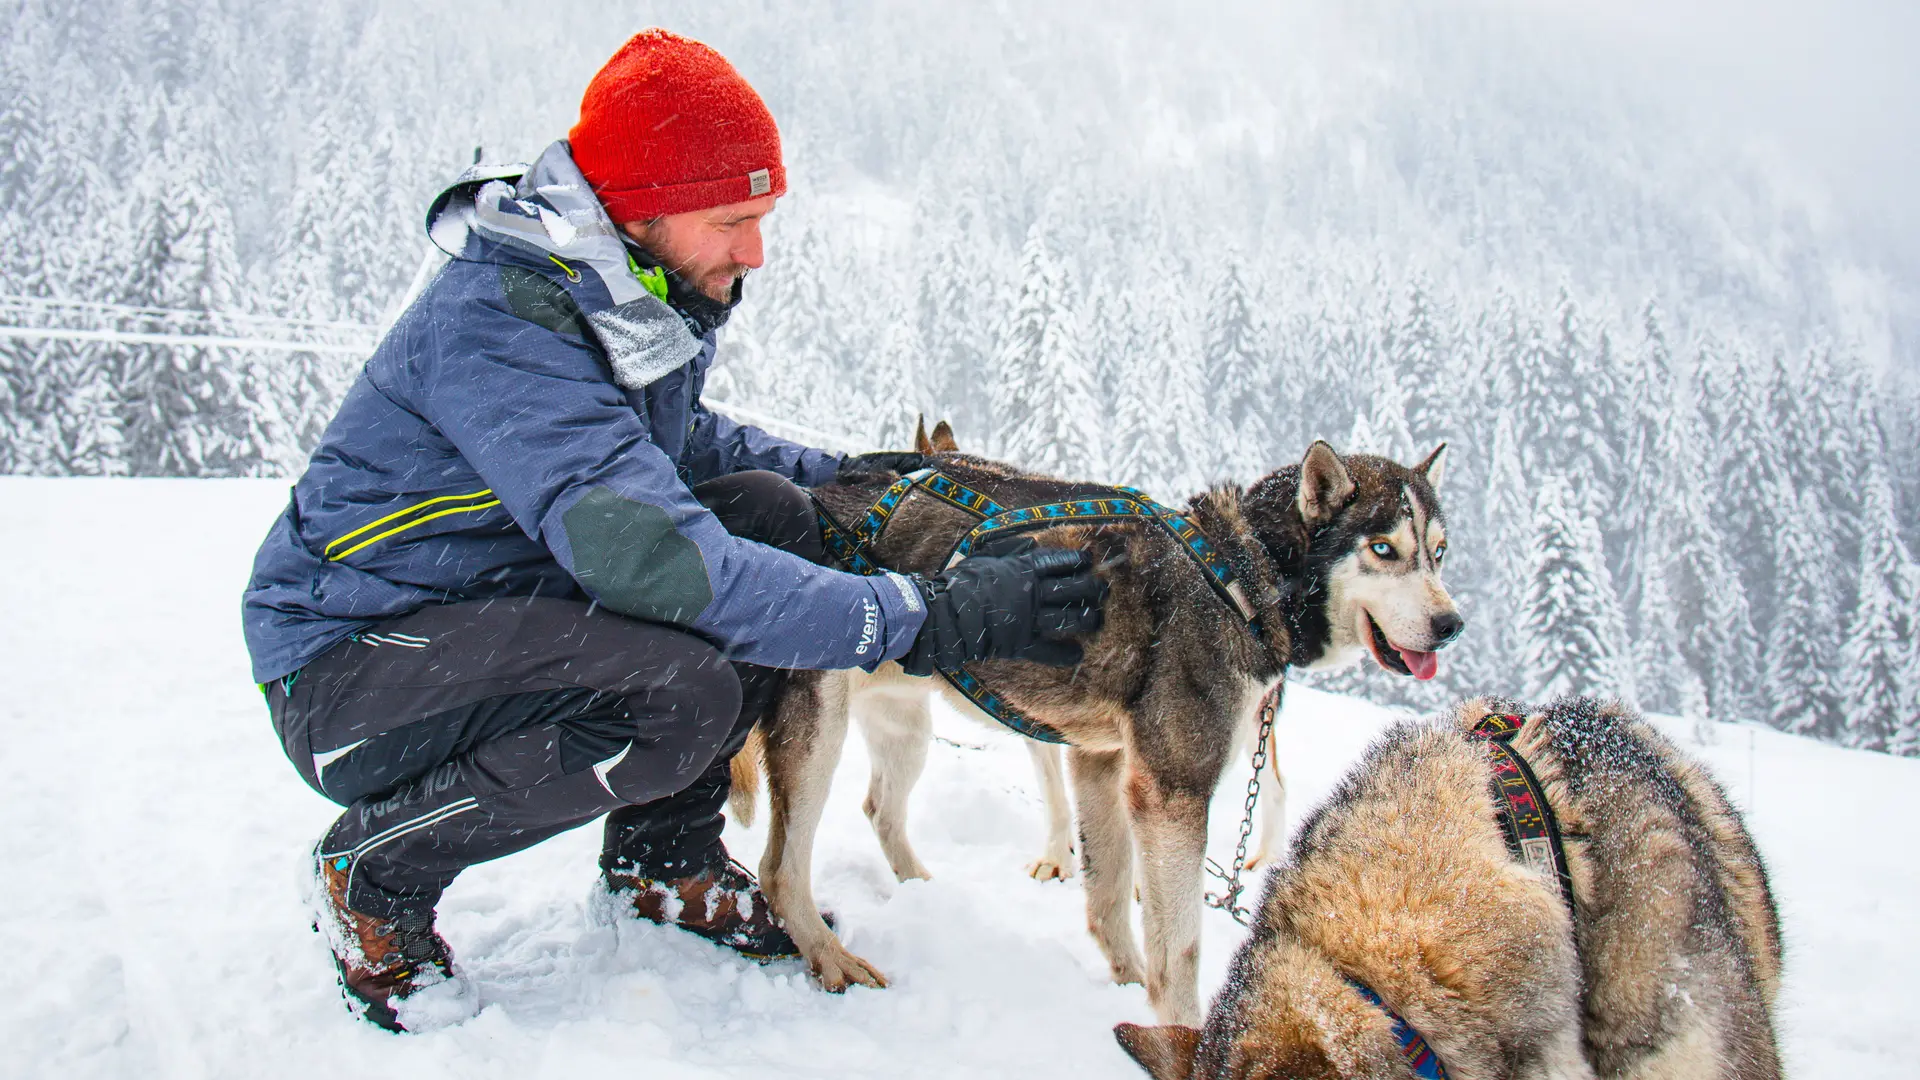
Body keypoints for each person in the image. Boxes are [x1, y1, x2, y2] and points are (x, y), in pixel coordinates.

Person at [242, 28, 1105, 1033]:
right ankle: (372, 876)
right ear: (640, 211)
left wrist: (861, 482)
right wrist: (914, 616)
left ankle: (664, 861)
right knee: (676, 695)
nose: (757, 251)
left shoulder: (607, 290)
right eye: (733, 219)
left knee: (776, 518)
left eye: (765, 217)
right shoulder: (504, 327)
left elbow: (684, 443)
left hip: (477, 609)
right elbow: (652, 554)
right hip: (350, 668)